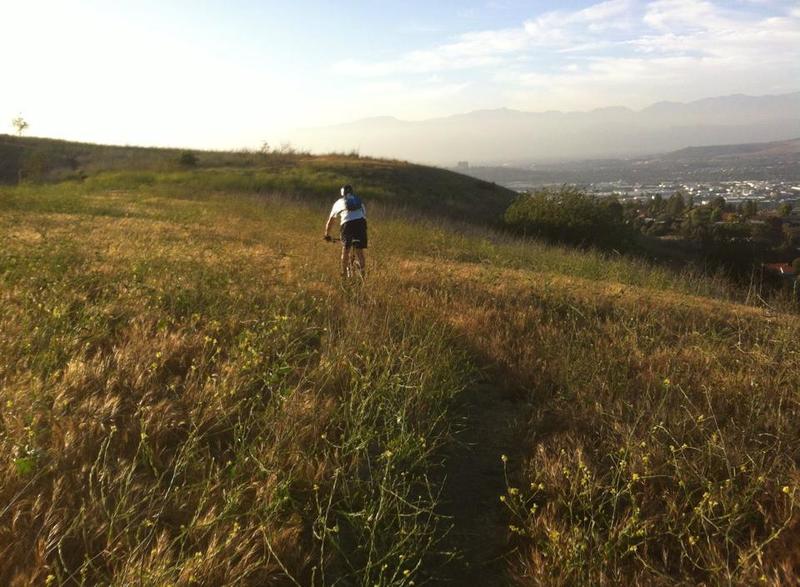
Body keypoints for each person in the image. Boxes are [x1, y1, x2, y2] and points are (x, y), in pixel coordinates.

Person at [324, 184, 367, 277]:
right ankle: (363, 275)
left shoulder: (339, 202)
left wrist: (327, 234)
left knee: (346, 250)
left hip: (348, 225)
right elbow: (364, 215)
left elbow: (331, 220)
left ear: (342, 193)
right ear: (352, 192)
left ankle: (343, 275)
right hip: (361, 224)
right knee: (360, 251)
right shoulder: (359, 201)